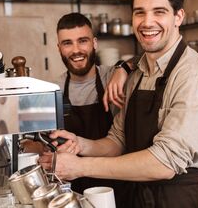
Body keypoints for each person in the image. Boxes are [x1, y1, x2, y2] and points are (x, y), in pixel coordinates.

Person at [40, 0, 198, 208]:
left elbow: (165, 163)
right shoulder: (136, 72)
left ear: (178, 16)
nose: (147, 22)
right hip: (137, 198)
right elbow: (118, 139)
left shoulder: (194, 76)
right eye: (140, 13)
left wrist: (79, 166)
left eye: (159, 12)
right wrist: (80, 144)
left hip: (177, 200)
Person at [23, 12, 131, 199]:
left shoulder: (112, 78)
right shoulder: (51, 90)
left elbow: (143, 60)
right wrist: (48, 147)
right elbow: (30, 143)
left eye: (82, 41)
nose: (76, 50)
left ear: (94, 43)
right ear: (59, 48)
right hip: (73, 190)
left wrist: (124, 67)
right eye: (67, 43)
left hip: (116, 185)